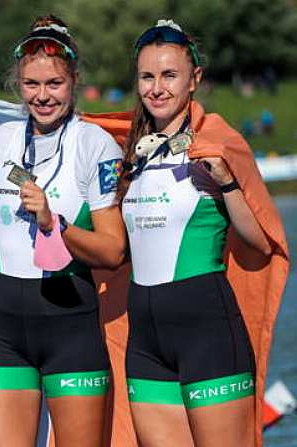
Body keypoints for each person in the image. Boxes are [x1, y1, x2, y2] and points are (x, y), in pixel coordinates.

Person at [0, 15, 127, 447]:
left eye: (54, 84)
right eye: (31, 85)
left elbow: (113, 251)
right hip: (2, 326)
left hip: (69, 322)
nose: (42, 97)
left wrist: (54, 224)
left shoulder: (95, 145)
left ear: (74, 80)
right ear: (18, 84)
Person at [118, 20, 273, 447]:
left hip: (207, 331)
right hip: (146, 342)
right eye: (147, 76)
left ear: (194, 80)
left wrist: (226, 184)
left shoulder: (218, 143)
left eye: (169, 76)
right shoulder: (130, 152)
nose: (156, 88)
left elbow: (260, 245)